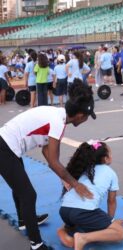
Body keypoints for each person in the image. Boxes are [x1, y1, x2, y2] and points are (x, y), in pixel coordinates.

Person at [0, 79, 96, 250]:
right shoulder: (58, 122)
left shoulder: (58, 115)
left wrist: (64, 178)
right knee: (29, 195)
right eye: (88, 116)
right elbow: (53, 161)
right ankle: (36, 245)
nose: (87, 119)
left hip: (8, 146)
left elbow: (47, 152)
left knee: (20, 187)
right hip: (4, 148)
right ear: (81, 115)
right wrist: (75, 184)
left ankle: (24, 221)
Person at [57, 141, 123, 250]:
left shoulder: (84, 169)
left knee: (80, 224)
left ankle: (63, 231)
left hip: (64, 211)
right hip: (83, 213)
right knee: (120, 233)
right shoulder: (111, 173)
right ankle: (83, 238)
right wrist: (110, 221)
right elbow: (111, 201)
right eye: (110, 154)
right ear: (106, 159)